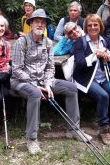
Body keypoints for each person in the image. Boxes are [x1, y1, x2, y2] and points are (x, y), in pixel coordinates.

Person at [11, 9, 92, 155]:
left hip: (44, 80)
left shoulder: (48, 43)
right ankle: (32, 138)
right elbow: (16, 70)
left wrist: (47, 84)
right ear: (31, 23)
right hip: (22, 82)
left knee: (72, 88)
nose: (40, 24)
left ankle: (74, 130)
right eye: (37, 21)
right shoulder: (21, 42)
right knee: (35, 94)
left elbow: (50, 66)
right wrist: (36, 85)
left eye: (43, 22)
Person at [72, 14, 110, 146]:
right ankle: (104, 129)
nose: (92, 27)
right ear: (86, 27)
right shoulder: (80, 42)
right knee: (103, 96)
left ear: (100, 26)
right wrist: (95, 55)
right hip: (86, 79)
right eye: (89, 25)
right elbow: (80, 63)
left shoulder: (105, 40)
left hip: (103, 77)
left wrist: (106, 52)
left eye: (95, 25)